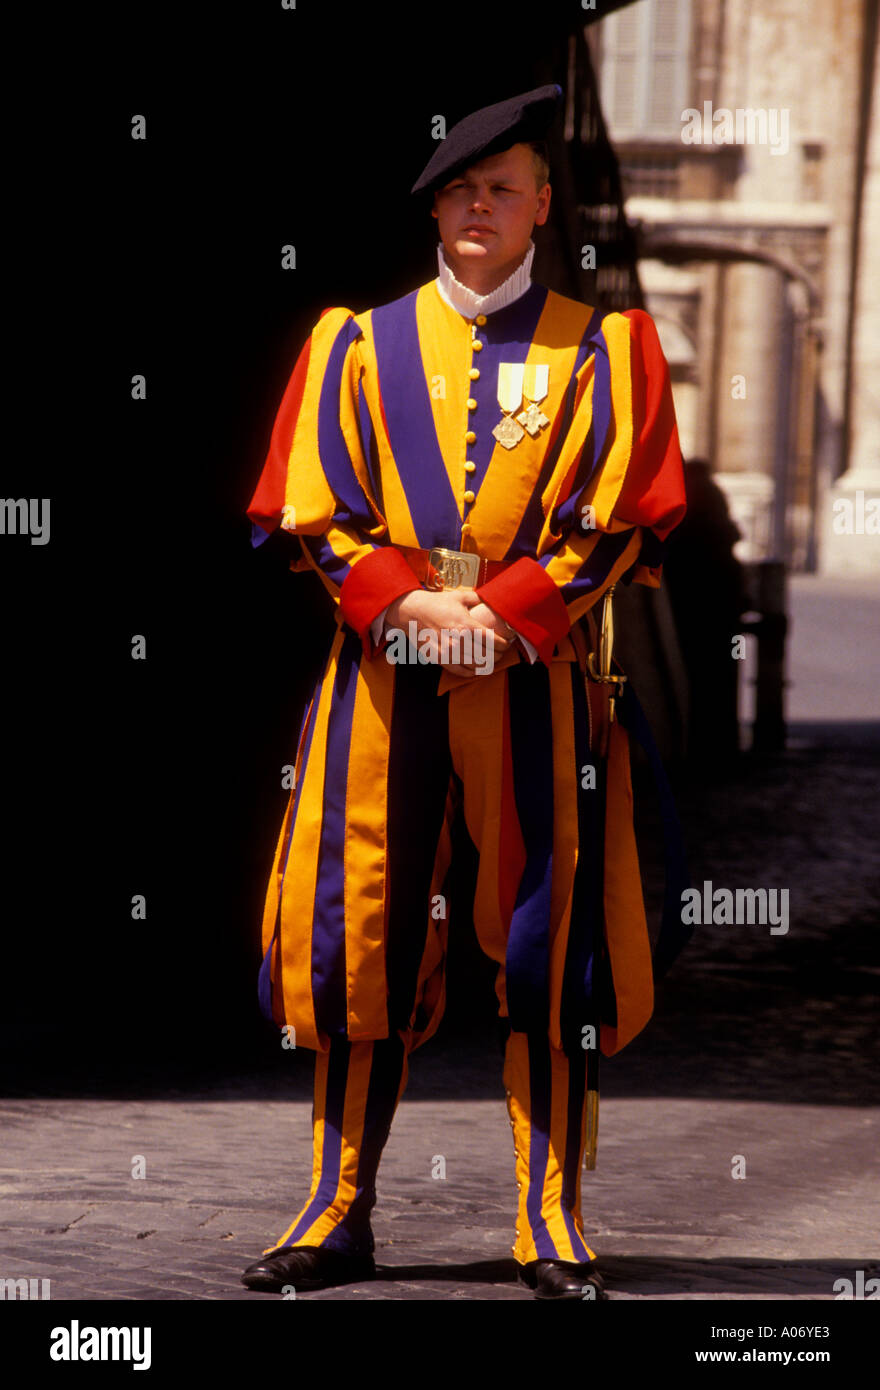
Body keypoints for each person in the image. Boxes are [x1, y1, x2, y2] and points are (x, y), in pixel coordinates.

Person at [241, 85, 687, 1300]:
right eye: (458, 189)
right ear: (435, 207)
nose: (478, 206)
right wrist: (414, 607)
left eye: (501, 187)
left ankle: (551, 1221)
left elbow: (618, 521)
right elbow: (312, 509)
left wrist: (507, 618)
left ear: (545, 204)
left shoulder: (604, 347)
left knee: (554, 949)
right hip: (384, 687)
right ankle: (334, 1210)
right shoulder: (353, 343)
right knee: (356, 943)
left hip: (535, 686)